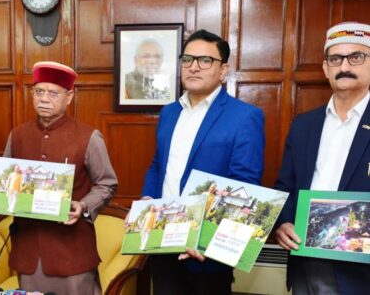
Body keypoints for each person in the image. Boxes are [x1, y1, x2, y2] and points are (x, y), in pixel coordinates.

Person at [140, 29, 265, 294]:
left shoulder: (245, 117)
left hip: (206, 253)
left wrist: (209, 240)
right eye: (187, 59)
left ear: (223, 70)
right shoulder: (169, 112)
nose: (194, 67)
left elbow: (245, 184)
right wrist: (148, 200)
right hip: (163, 242)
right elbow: (157, 164)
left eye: (205, 60)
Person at [0, 61, 118, 295]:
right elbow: (8, 188)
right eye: (39, 91)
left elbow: (107, 183)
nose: (44, 99)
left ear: (69, 97)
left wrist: (83, 205)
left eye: (53, 93)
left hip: (72, 252)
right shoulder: (18, 135)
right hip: (28, 252)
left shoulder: (88, 136)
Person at [274, 21, 370, 295]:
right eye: (335, 58)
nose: (344, 66)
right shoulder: (304, 125)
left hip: (361, 273)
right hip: (306, 260)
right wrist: (283, 222)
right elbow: (285, 186)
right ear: (326, 68)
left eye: (356, 57)